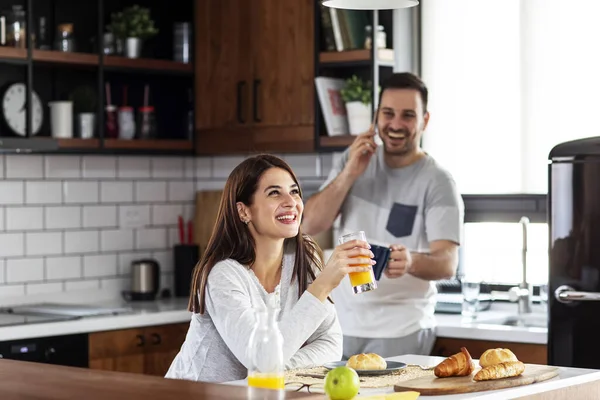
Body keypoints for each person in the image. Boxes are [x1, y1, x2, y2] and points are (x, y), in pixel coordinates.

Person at [165, 154, 375, 383]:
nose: (291, 202)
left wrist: (277, 369)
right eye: (274, 193)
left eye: (294, 191)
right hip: (194, 394)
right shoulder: (223, 274)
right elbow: (261, 360)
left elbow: (330, 344)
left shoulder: (305, 258)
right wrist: (323, 285)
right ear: (244, 211)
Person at [303, 72, 464, 359]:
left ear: (425, 120)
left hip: (401, 330)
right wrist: (350, 173)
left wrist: (412, 261)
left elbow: (447, 264)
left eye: (408, 116)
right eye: (388, 113)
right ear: (376, 116)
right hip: (339, 323)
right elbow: (311, 224)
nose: (396, 124)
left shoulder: (438, 181)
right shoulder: (352, 160)